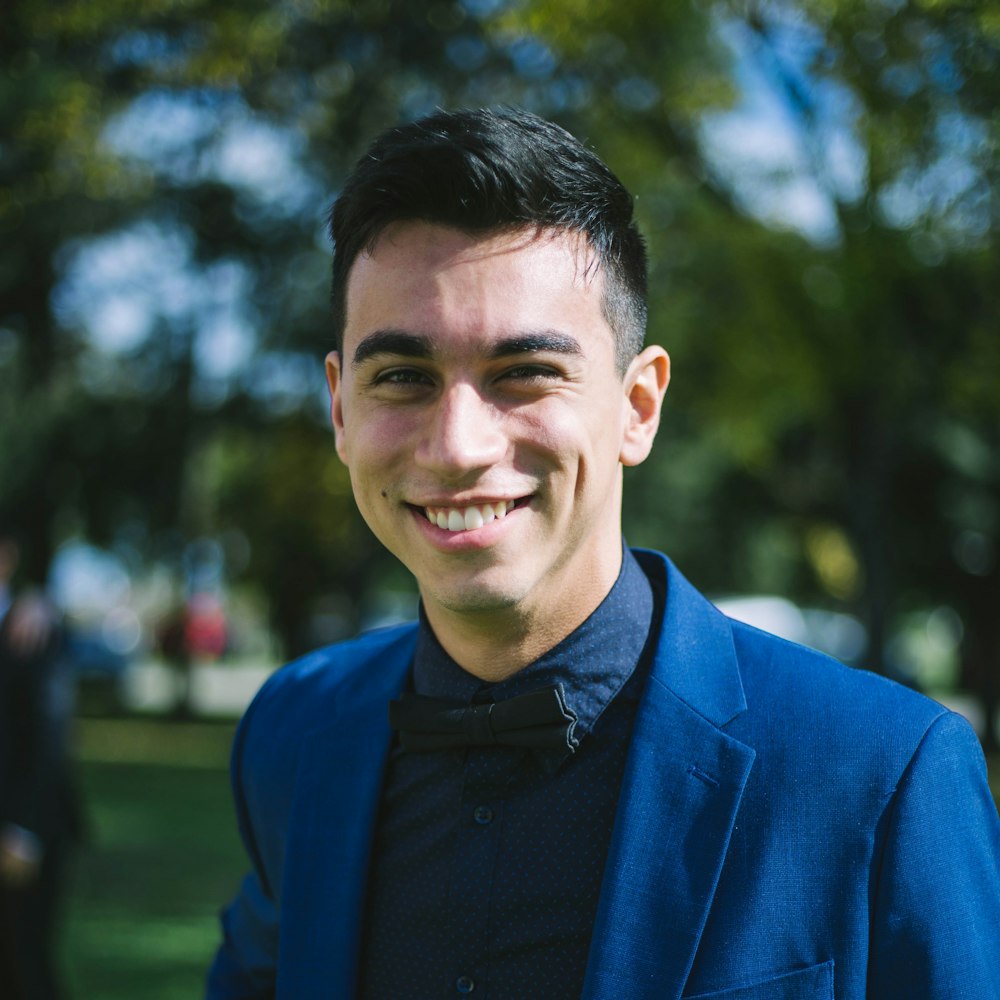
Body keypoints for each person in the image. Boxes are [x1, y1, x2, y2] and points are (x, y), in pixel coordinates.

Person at [206, 108, 1000, 999]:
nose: (459, 445)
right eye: (402, 378)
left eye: (524, 373)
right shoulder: (291, 735)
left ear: (638, 407)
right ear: (341, 411)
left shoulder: (884, 773)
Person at [0, 530, 80, 1000]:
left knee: (23, 967)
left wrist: (21, 830)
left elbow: (52, 736)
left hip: (20, 836)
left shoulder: (34, 627)